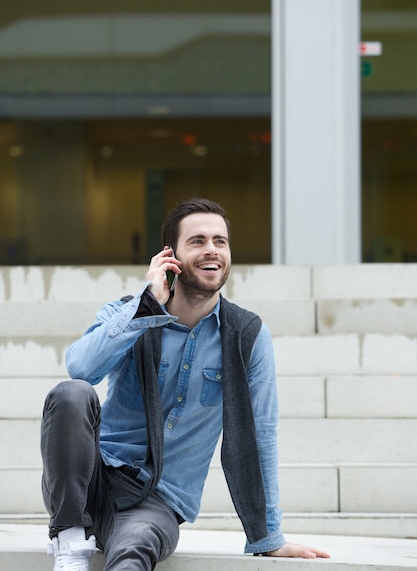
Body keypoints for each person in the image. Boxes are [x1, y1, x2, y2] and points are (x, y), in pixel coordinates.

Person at [41, 197, 330, 571]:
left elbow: (260, 435)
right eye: (197, 241)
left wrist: (268, 537)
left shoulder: (246, 337)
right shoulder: (128, 312)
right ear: (170, 256)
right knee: (70, 395)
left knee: (133, 551)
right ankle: (69, 544)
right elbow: (81, 368)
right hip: (88, 483)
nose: (212, 250)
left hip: (156, 503)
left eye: (220, 241)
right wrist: (147, 306)